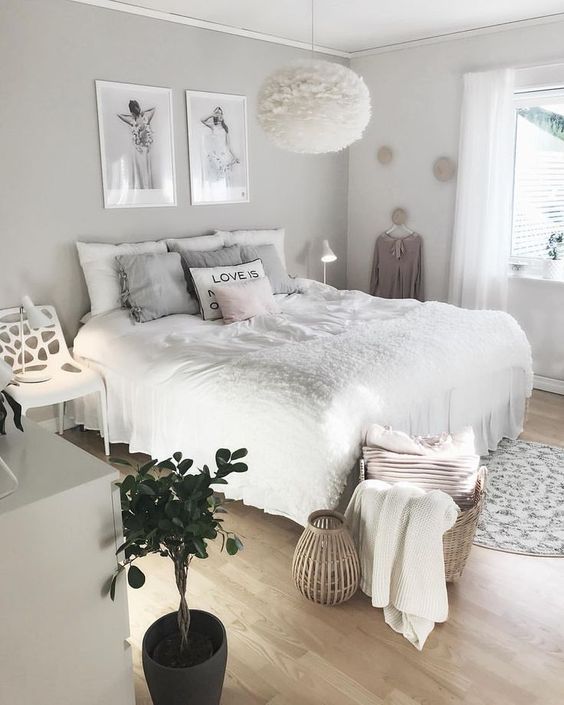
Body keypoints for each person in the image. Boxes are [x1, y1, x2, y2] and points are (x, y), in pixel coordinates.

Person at [117, 100, 155, 189]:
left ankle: (148, 189)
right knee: (140, 172)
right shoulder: (132, 120)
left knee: (147, 172)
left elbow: (154, 108)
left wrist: (144, 111)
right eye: (134, 111)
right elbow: (118, 114)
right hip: (138, 151)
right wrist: (131, 115)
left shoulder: (146, 117)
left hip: (147, 149)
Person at [200, 106, 239, 185]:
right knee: (216, 176)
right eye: (218, 114)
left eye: (221, 114)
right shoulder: (213, 126)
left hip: (223, 152)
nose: (219, 115)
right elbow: (202, 120)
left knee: (225, 175)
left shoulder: (225, 128)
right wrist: (212, 115)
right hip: (215, 152)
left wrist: (234, 156)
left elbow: (228, 144)